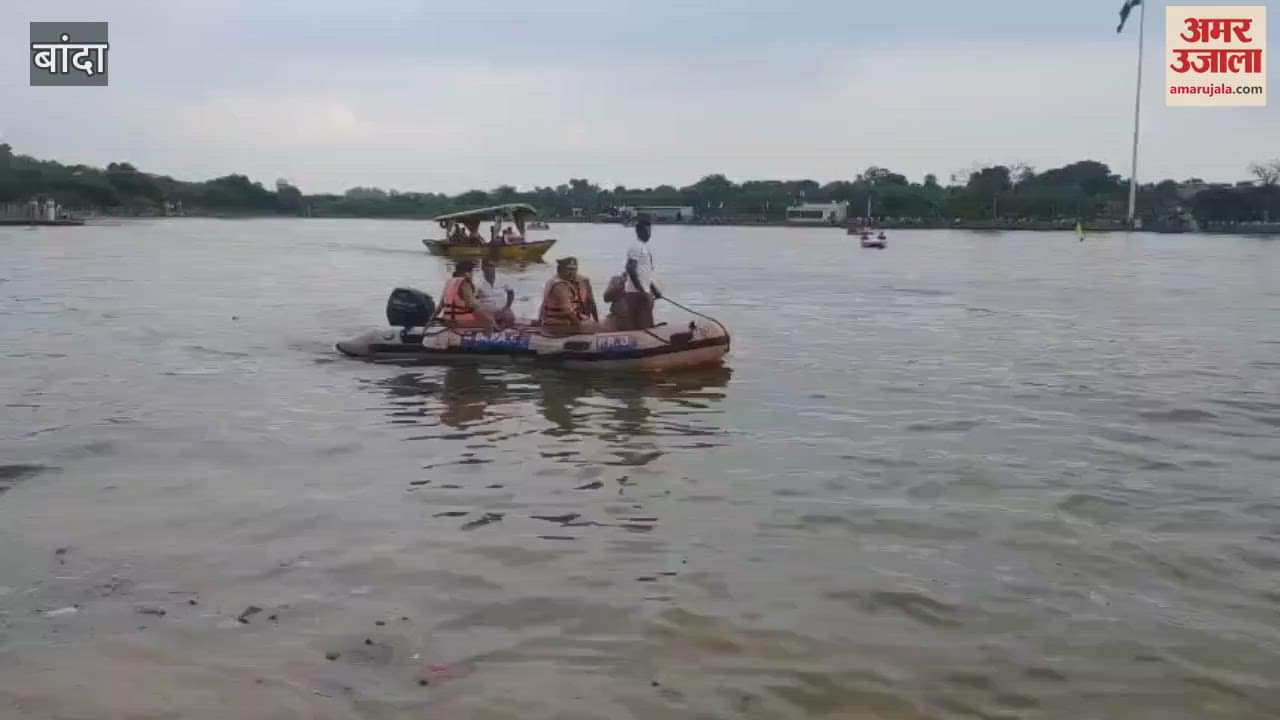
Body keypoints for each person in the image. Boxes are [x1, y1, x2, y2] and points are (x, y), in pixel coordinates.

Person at [538, 257, 599, 335]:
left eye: (574, 269)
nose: (572, 272)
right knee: (596, 328)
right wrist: (581, 327)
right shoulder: (558, 285)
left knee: (597, 326)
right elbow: (568, 312)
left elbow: (591, 303)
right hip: (559, 324)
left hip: (571, 320)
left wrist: (595, 321)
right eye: (569, 269)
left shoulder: (582, 281)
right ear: (559, 269)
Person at [623, 215, 661, 329]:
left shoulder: (644, 248)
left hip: (644, 292)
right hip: (636, 293)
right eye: (646, 231)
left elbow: (645, 275)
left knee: (647, 322)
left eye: (649, 231)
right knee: (642, 324)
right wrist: (642, 291)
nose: (649, 234)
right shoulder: (636, 247)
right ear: (638, 231)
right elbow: (630, 268)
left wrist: (654, 290)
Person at [439, 259, 496, 330]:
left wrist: (430, 321)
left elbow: (440, 306)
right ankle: (487, 339)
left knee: (485, 316)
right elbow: (473, 305)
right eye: (472, 272)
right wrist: (488, 317)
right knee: (489, 321)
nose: (472, 275)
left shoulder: (449, 282)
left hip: (447, 320)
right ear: (467, 273)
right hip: (458, 322)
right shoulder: (465, 283)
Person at [475, 257, 516, 328]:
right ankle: (494, 326)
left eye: (491, 266)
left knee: (510, 318)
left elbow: (510, 292)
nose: (490, 268)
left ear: (494, 267)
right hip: (485, 311)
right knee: (487, 321)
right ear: (482, 268)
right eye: (487, 266)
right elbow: (472, 299)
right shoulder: (477, 281)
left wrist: (507, 307)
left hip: (502, 309)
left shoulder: (502, 277)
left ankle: (498, 327)